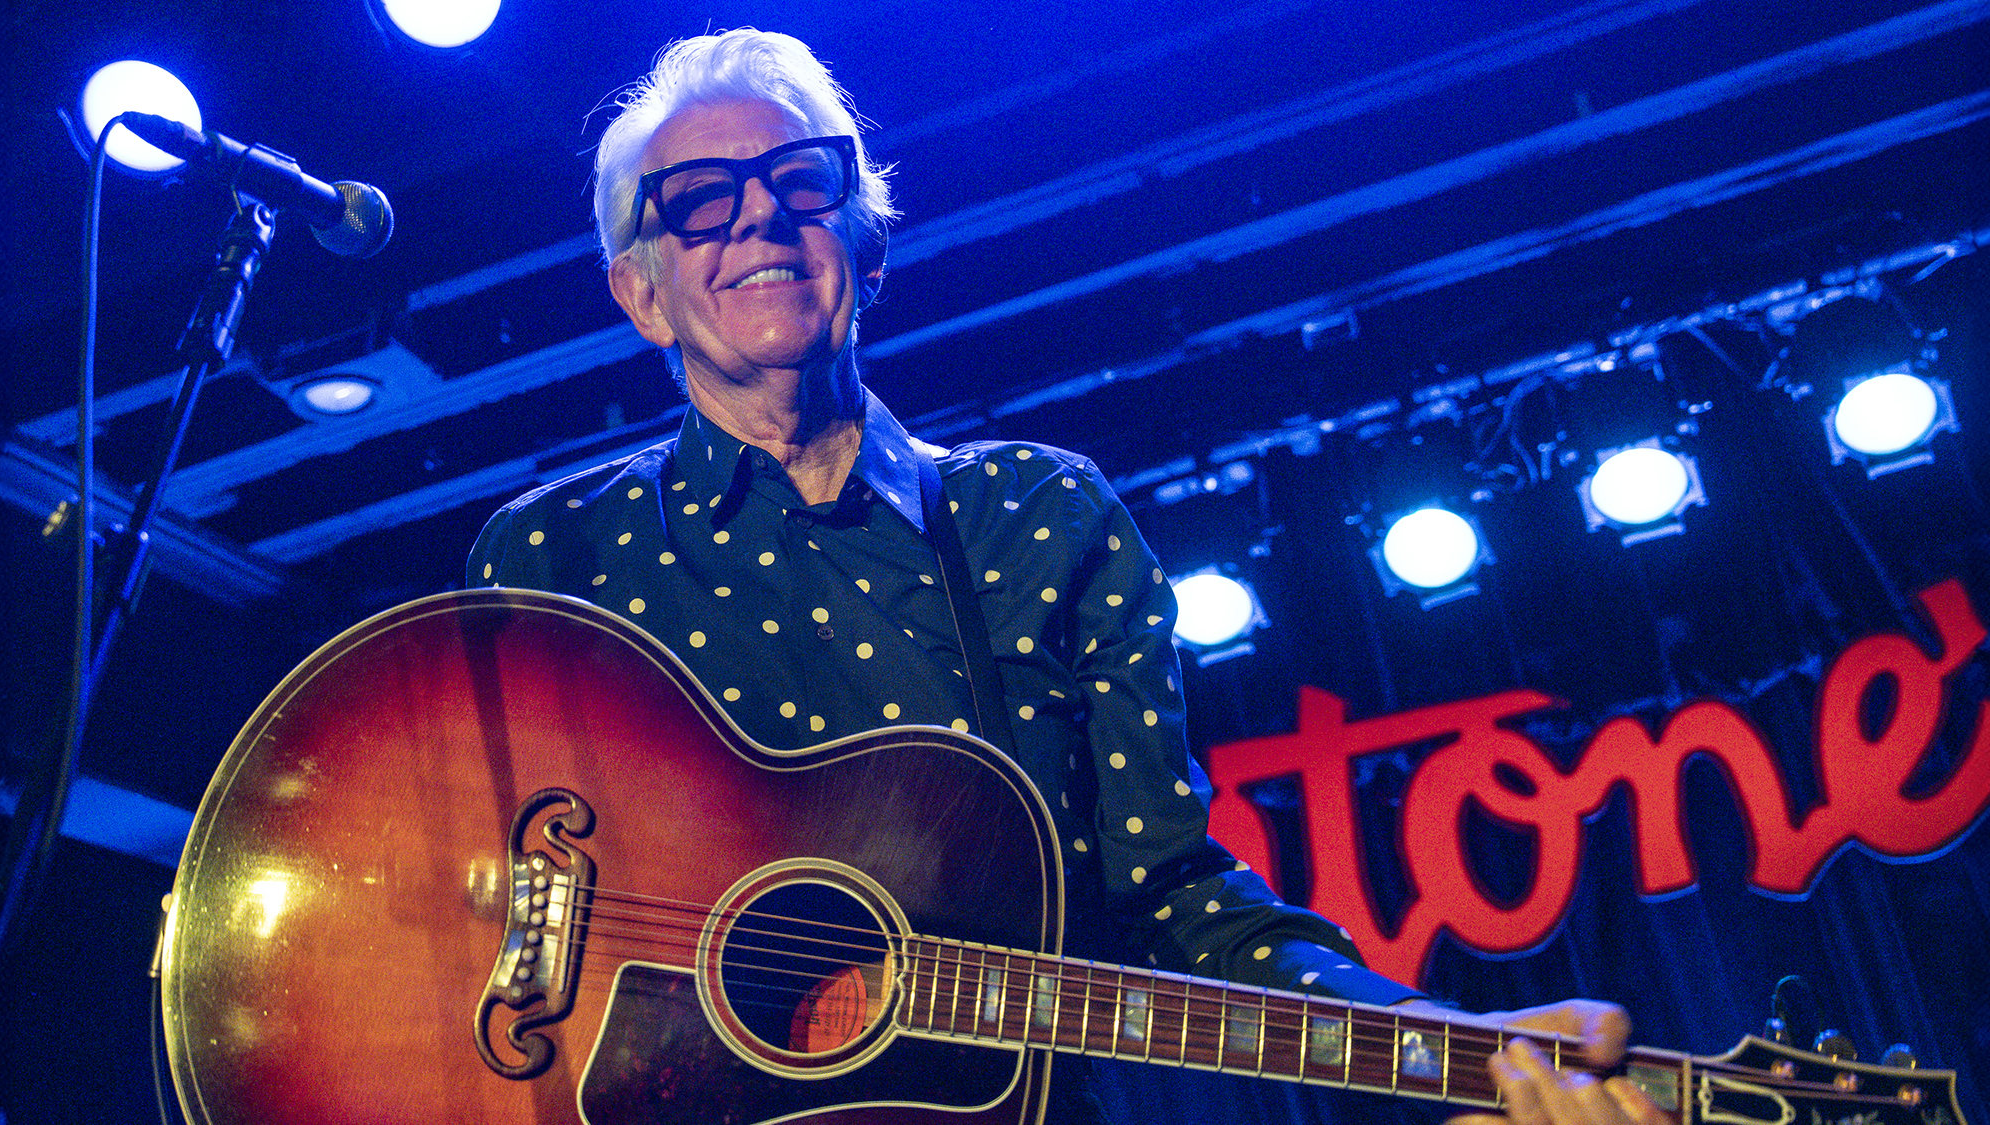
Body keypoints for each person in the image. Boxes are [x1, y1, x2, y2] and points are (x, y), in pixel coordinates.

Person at [467, 28, 1669, 1125]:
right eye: (698, 201)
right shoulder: (551, 558)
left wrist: (1453, 1048)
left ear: (867, 249)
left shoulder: (1034, 517)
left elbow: (1171, 899)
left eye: (801, 182)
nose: (760, 222)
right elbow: (446, 894)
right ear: (640, 294)